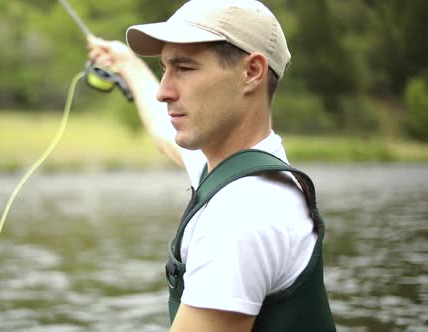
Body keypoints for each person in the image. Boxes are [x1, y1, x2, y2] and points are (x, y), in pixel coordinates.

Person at [88, 0, 336, 331]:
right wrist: (128, 66)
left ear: (252, 72)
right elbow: (166, 135)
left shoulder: (241, 214)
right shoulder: (241, 165)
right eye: (164, 69)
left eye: (185, 68)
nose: (163, 92)